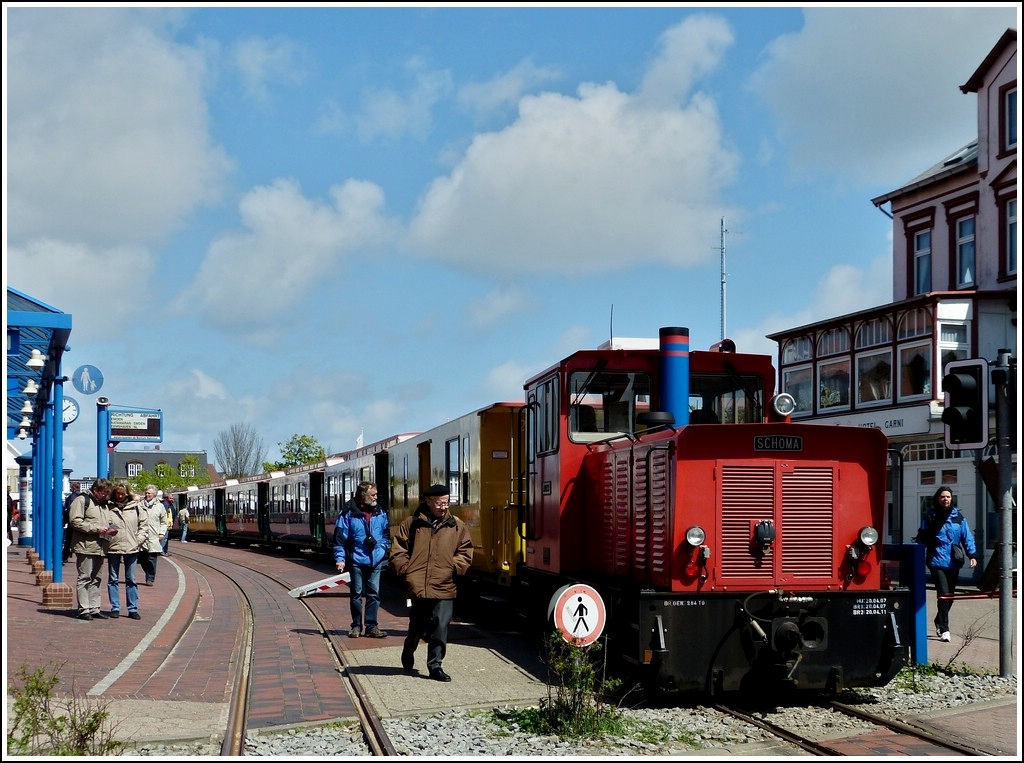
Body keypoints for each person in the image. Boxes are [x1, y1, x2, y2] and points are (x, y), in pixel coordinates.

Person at [390, 484, 473, 682]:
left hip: (444, 584)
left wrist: (453, 567)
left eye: (447, 503)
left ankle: (435, 666)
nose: (444, 507)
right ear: (428, 502)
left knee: (440, 626)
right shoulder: (411, 524)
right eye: (440, 503)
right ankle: (408, 649)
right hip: (418, 585)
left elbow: (465, 551)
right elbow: (398, 551)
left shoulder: (457, 525)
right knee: (417, 627)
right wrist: (406, 571)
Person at [914, 485, 978, 642]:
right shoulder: (930, 516)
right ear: (937, 498)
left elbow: (967, 537)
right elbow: (922, 535)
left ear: (951, 499)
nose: (945, 499)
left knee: (950, 597)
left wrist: (972, 555)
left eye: (948, 496)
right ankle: (944, 630)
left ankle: (938, 620)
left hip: (953, 561)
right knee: (943, 594)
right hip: (936, 560)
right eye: (942, 496)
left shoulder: (959, 517)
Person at [333, 481, 391, 639]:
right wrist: (340, 559)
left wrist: (384, 548)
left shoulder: (380, 512)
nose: (376, 497)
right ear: (363, 496)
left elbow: (386, 534)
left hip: (376, 559)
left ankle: (372, 626)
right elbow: (339, 538)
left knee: (374, 594)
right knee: (356, 594)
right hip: (357, 559)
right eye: (373, 495)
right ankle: (356, 626)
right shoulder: (347, 513)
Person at [68, 478, 116, 621]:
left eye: (107, 493)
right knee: (85, 577)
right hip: (85, 546)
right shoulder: (82, 500)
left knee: (97, 578)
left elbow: (107, 521)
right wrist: (96, 529)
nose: (105, 495)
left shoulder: (104, 505)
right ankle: (84, 609)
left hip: (100, 547)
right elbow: (75, 521)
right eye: (103, 493)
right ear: (95, 490)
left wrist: (110, 529)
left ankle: (94, 608)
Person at [105, 482, 149, 620]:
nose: (119, 496)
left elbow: (144, 525)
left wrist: (138, 540)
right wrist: (107, 537)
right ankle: (115, 607)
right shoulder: (108, 506)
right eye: (117, 493)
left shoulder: (136, 507)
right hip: (113, 547)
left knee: (131, 579)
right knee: (113, 579)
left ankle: (132, 608)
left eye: (122, 493)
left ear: (127, 494)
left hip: (131, 547)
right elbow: (102, 525)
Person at [138, 485, 167, 585]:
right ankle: (148, 572)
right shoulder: (140, 505)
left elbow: (164, 522)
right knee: (142, 559)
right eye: (146, 493)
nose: (147, 495)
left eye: (149, 493)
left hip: (154, 536)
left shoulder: (160, 506)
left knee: (152, 559)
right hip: (142, 537)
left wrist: (162, 533)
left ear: (154, 494)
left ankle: (150, 578)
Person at [62, 481, 83, 563]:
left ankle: (65, 556)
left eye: (71, 487)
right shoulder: (82, 497)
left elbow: (68, 510)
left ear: (73, 488)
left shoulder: (71, 497)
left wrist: (65, 520)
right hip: (81, 521)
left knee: (68, 540)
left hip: (72, 521)